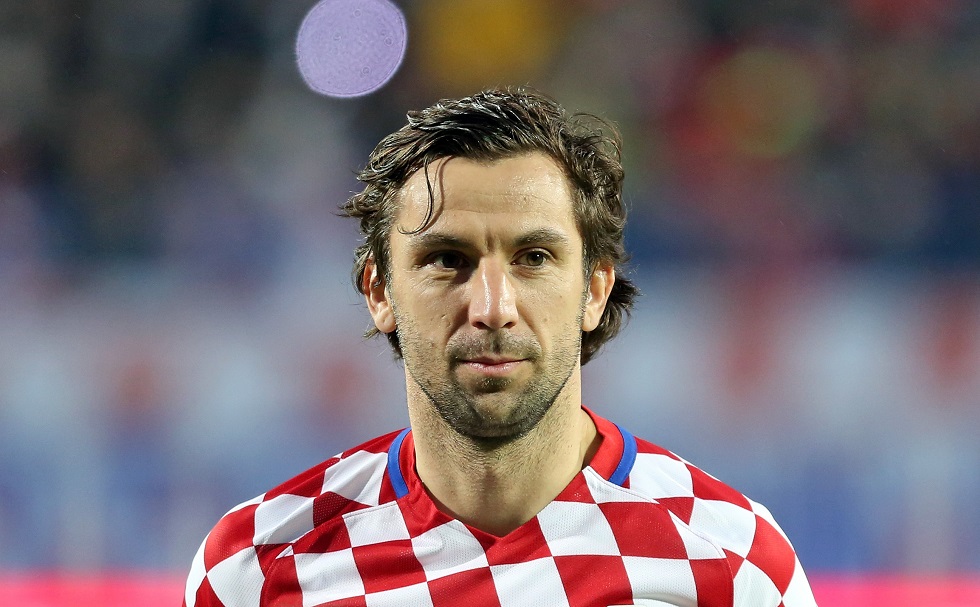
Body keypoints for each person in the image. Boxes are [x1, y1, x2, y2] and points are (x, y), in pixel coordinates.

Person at [183, 88, 817, 607]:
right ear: (378, 291)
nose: (492, 307)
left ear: (595, 290)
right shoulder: (256, 569)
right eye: (447, 259)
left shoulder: (734, 564)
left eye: (533, 258)